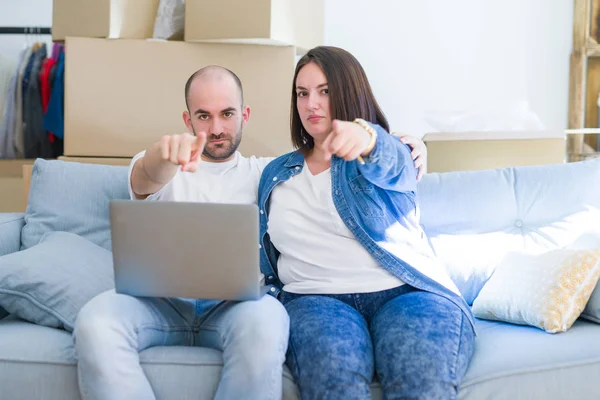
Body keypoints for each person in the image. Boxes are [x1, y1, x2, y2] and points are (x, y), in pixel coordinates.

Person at [73, 65, 430, 400]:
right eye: (203, 116)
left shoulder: (269, 174)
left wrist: (411, 146)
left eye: (227, 114)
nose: (215, 128)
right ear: (187, 119)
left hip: (237, 308)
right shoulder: (165, 163)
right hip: (157, 304)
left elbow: (335, 164)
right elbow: (146, 176)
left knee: (268, 321)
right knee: (95, 321)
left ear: (244, 116)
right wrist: (163, 156)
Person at [257, 47, 475, 400]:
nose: (311, 103)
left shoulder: (388, 151)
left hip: (407, 294)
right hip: (314, 300)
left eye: (324, 91)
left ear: (349, 92)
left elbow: (396, 165)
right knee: (335, 388)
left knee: (420, 384)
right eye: (302, 93)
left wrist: (367, 138)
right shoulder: (275, 173)